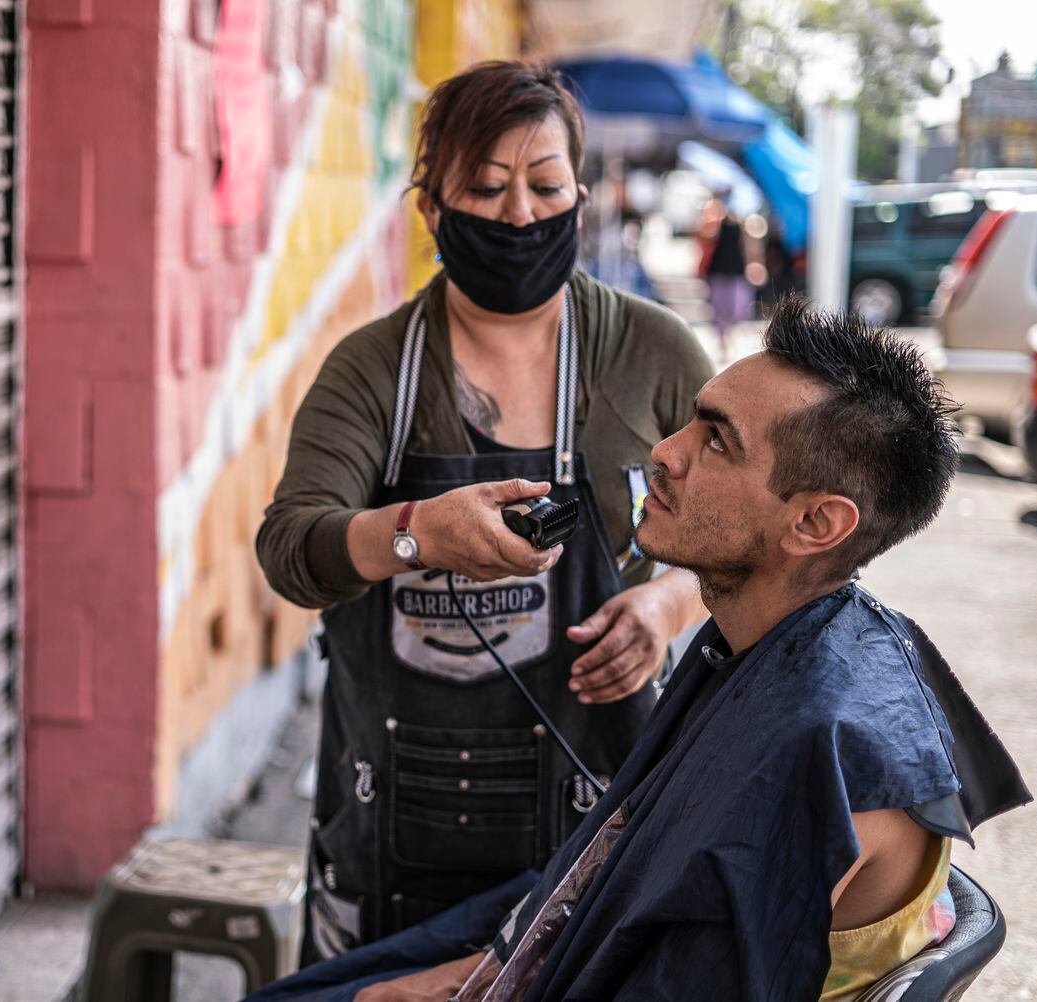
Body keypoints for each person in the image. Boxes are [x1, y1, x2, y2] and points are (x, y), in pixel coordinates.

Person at [246, 299, 1029, 1002]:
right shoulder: (770, 637)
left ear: (817, 525)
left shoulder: (817, 755)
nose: (663, 449)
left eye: (717, 442)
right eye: (693, 418)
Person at [255, 60, 713, 962]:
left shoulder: (654, 354)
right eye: (487, 187)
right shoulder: (372, 369)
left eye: (545, 186)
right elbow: (289, 548)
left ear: (582, 194)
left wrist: (666, 606)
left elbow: (739, 537)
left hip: (595, 826)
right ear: (432, 207)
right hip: (392, 830)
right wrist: (417, 533)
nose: (518, 216)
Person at [699, 189, 759, 361]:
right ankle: (723, 342)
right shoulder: (715, 221)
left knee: (737, 308)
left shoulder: (745, 224)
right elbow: (705, 236)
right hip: (717, 271)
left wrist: (754, 266)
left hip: (737, 272)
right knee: (718, 309)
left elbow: (750, 247)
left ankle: (729, 337)